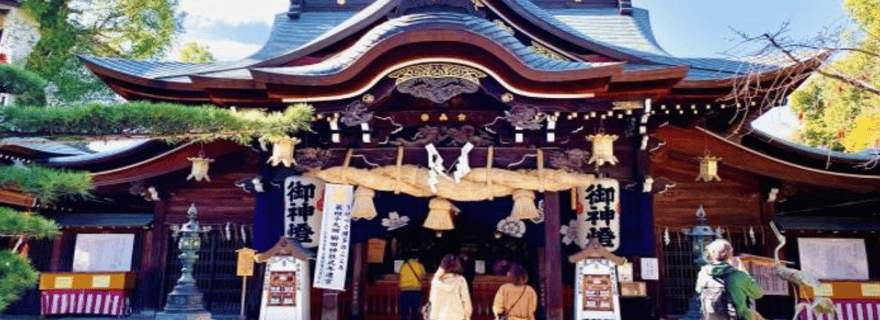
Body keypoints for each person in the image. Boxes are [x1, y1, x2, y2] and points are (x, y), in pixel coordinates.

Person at [696, 239, 764, 320]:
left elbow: (698, 290)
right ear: (731, 254)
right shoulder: (739, 275)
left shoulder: (703, 273)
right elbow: (758, 293)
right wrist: (746, 273)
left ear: (711, 254)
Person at [429, 254, 473, 320]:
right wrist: (467, 316)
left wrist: (438, 273)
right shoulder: (460, 280)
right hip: (457, 316)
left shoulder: (436, 281)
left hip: (439, 316)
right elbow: (466, 300)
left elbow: (432, 300)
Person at [399, 252, 426, 320]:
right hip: (416, 290)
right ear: (417, 258)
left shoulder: (403, 266)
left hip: (404, 290)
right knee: (415, 310)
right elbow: (423, 276)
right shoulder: (420, 265)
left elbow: (399, 275)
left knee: (404, 311)